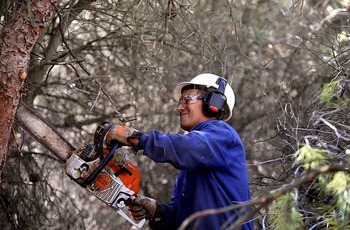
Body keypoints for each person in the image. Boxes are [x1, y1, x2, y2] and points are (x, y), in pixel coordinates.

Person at [104, 73, 253, 229]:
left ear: (213, 102)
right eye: (181, 101)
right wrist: (158, 211)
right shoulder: (193, 165)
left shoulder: (222, 136)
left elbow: (189, 147)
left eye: (187, 100)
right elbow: (183, 220)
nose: (179, 107)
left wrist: (138, 139)